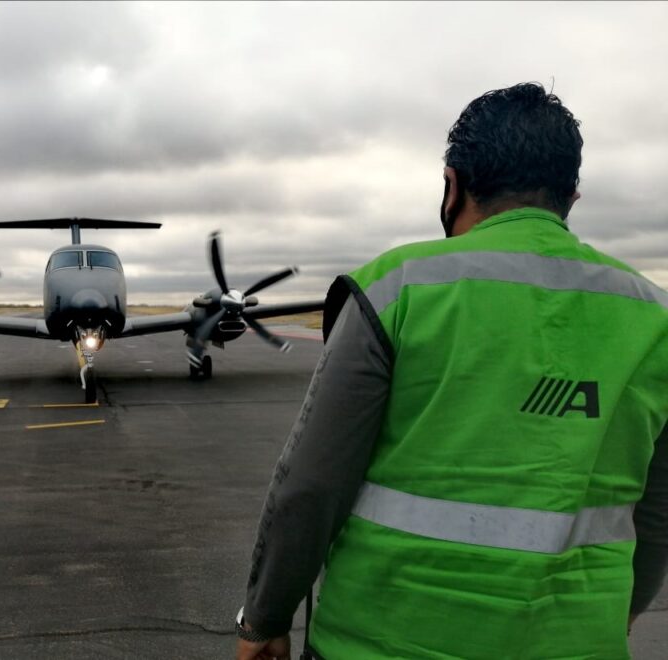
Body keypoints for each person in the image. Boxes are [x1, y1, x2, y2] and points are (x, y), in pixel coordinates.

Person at [235, 82, 668, 660]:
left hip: (378, 643)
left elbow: (311, 485)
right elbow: (657, 514)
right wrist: (616, 614)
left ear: (451, 185)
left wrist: (265, 616)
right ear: (571, 197)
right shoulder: (653, 318)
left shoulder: (398, 289)